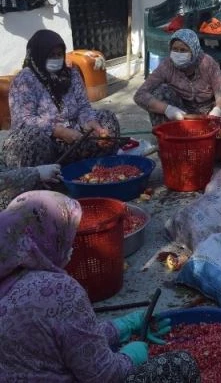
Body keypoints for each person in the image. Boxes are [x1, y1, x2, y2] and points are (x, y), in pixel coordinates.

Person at [0, 190, 200, 382]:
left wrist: (121, 327)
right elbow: (105, 376)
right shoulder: (58, 291)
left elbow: (68, 338)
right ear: (48, 238)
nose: (71, 247)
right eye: (67, 237)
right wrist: (131, 358)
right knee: (181, 364)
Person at [1, 30, 120, 168]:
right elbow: (24, 120)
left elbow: (83, 106)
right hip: (47, 143)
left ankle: (97, 168)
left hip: (76, 137)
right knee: (31, 139)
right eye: (51, 55)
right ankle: (45, 179)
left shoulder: (71, 74)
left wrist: (91, 123)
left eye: (59, 55)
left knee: (107, 117)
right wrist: (59, 131)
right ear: (39, 55)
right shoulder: (24, 80)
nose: (56, 59)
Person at [134, 29, 221, 127]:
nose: (178, 53)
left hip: (212, 110)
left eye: (183, 50)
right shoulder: (167, 66)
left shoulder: (207, 62)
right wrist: (167, 109)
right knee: (159, 91)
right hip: (182, 114)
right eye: (175, 49)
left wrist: (218, 109)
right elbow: (140, 95)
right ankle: (170, 138)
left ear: (194, 50)